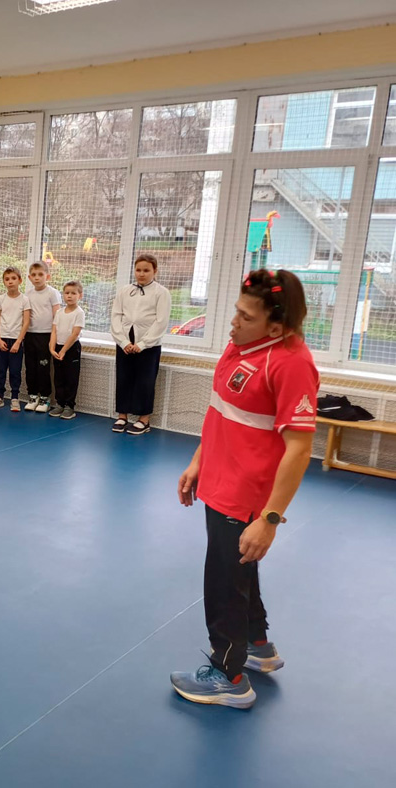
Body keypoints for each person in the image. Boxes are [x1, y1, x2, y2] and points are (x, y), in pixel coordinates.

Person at [171, 269, 317, 710]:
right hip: (219, 479)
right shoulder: (241, 345)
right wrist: (199, 462)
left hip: (245, 493)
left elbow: (300, 449)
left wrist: (268, 519)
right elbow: (222, 410)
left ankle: (229, 676)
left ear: (277, 326)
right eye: (236, 311)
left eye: (246, 316)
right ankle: (258, 645)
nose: (233, 322)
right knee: (238, 568)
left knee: (223, 581)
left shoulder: (290, 364)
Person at [110, 253, 172, 435]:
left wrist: (143, 343)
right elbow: (116, 316)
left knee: (145, 381)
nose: (142, 274)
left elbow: (161, 321)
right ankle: (122, 415)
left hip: (148, 344)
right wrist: (123, 341)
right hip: (125, 341)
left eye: (146, 270)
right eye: (138, 270)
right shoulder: (125, 291)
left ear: (155, 271)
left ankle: (144, 419)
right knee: (123, 378)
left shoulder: (161, 293)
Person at [0, 267, 31, 411]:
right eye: (7, 279)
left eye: (13, 278)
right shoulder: (0, 299)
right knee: (0, 370)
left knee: (15, 371)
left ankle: (14, 398)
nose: (10, 281)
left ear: (20, 280)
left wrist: (18, 342)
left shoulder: (24, 300)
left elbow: (26, 321)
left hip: (16, 341)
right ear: (4, 282)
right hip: (2, 339)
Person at [24, 261, 61, 413]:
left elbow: (57, 316)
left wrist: (54, 337)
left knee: (43, 368)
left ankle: (45, 398)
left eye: (40, 274)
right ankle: (33, 396)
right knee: (30, 368)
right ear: (29, 278)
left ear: (48, 276)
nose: (37, 278)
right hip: (30, 335)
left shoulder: (52, 293)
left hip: (46, 336)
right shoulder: (28, 294)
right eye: (34, 275)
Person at [50, 281, 85, 420]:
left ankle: (69, 406)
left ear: (80, 296)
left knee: (71, 378)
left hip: (71, 349)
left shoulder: (79, 313)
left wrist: (64, 350)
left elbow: (75, 334)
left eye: (73, 293)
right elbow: (54, 331)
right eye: (67, 293)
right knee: (58, 377)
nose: (69, 296)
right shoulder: (59, 312)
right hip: (58, 348)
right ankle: (60, 403)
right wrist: (52, 347)